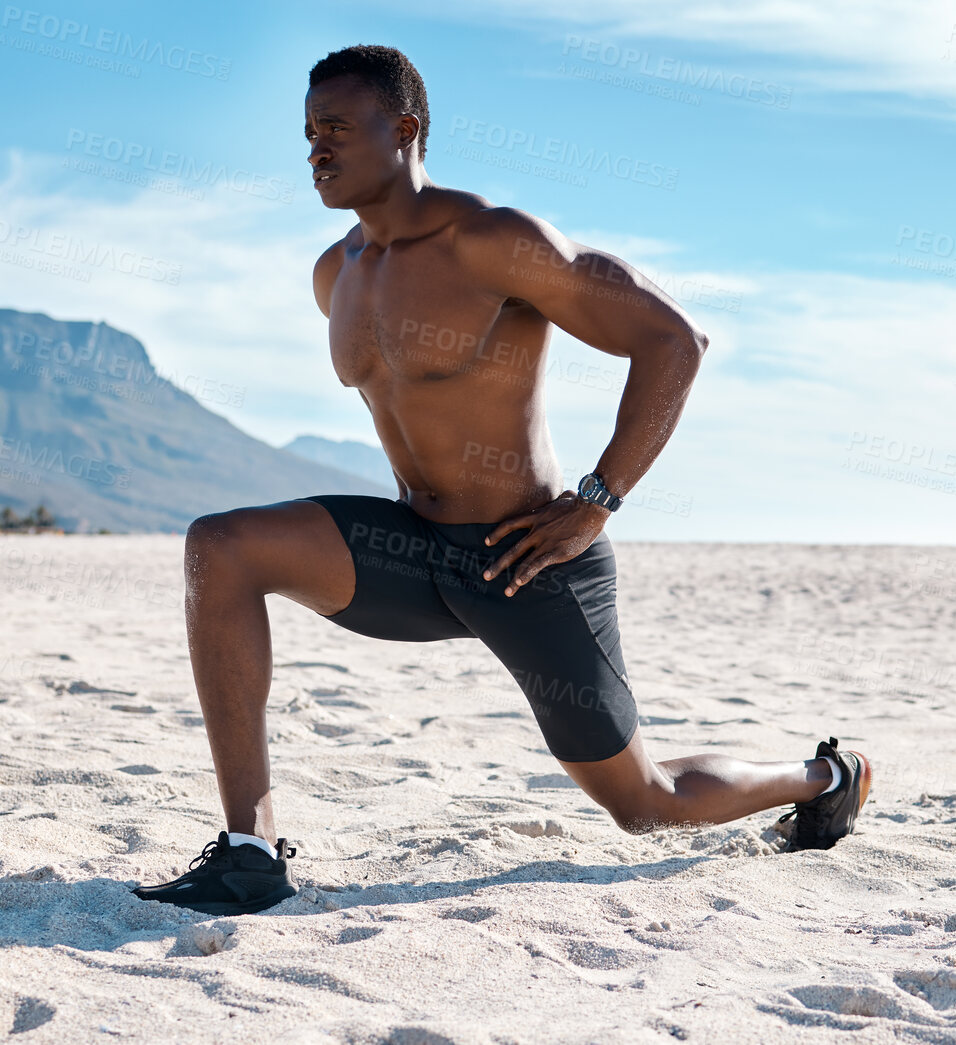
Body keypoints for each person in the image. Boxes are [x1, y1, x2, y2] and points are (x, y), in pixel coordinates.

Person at [133, 45, 871, 917]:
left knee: (645, 805)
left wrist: (597, 501)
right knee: (220, 545)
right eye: (306, 134)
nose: (314, 151)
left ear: (404, 130)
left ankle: (824, 774)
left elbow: (674, 339)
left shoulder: (492, 240)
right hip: (413, 551)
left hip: (527, 560)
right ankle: (249, 850)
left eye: (334, 129)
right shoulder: (337, 273)